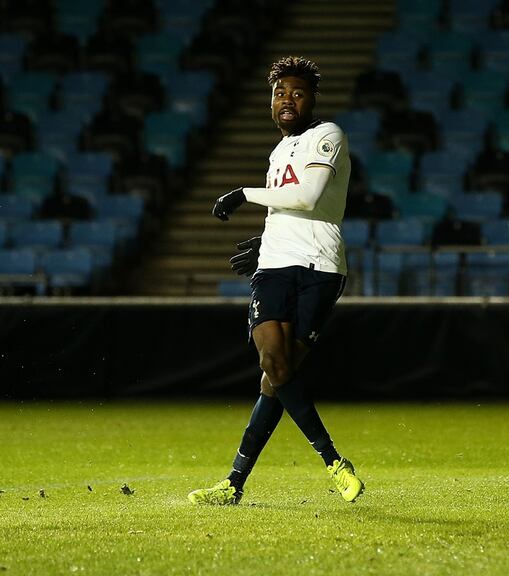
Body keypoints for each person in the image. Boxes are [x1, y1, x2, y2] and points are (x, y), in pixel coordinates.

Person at [187, 56, 363, 505]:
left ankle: (233, 483)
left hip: (320, 267)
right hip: (275, 265)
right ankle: (332, 463)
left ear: (312, 98)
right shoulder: (277, 151)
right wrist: (267, 237)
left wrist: (244, 194)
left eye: (297, 92)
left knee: (276, 380)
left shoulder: (328, 136)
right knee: (274, 365)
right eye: (280, 93)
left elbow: (307, 197)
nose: (287, 100)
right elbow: (287, 206)